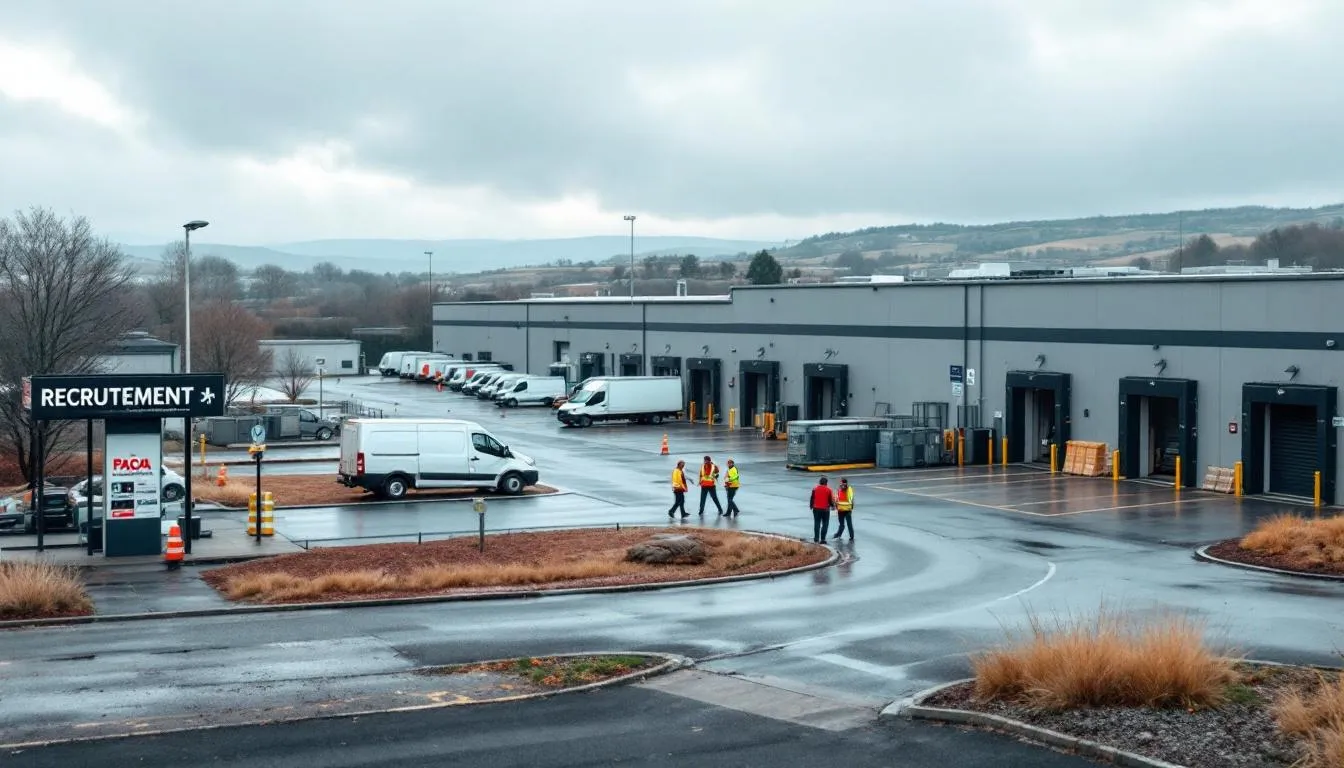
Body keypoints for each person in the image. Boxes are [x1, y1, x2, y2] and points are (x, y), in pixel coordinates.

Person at [809, 476, 835, 543]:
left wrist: (811, 506)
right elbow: (830, 500)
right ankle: (823, 539)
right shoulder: (829, 490)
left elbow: (812, 498)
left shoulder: (815, 489)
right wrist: (833, 506)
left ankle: (816, 538)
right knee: (825, 523)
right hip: (825, 509)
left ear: (820, 482)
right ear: (826, 483)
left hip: (816, 508)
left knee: (817, 523)